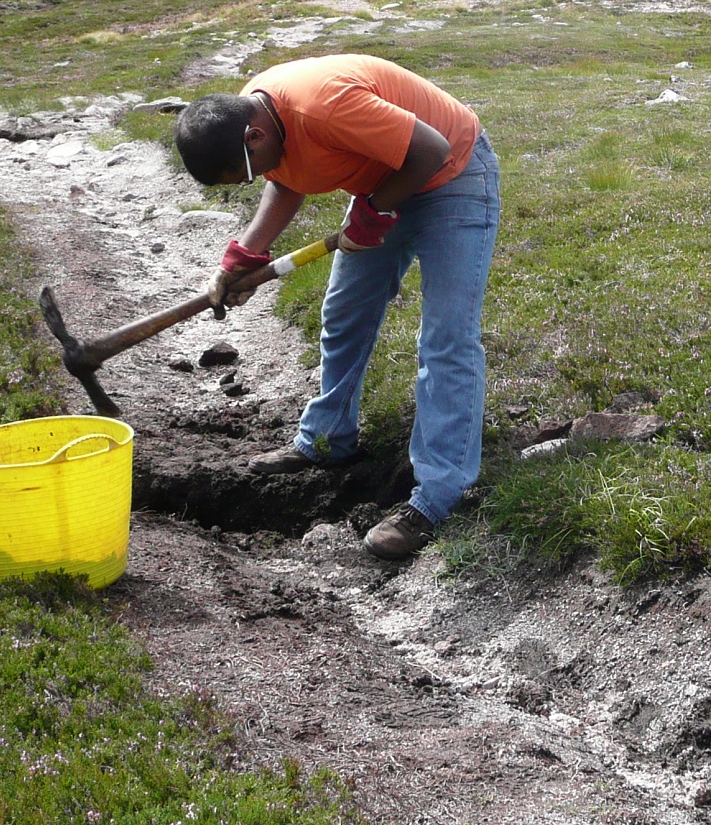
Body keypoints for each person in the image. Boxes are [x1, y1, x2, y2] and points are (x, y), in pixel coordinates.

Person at [173, 53, 500, 561]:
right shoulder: (256, 112)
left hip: (452, 173)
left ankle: (439, 494)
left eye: (245, 173)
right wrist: (244, 257)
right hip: (388, 178)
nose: (251, 181)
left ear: (253, 137)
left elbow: (430, 149)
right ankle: (326, 439)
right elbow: (287, 178)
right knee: (344, 311)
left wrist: (372, 213)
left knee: (445, 338)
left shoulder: (323, 106)